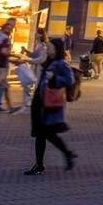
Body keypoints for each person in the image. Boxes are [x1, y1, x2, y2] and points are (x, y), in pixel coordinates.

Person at [23, 38, 77, 175]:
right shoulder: (49, 62)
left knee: (45, 133)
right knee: (41, 134)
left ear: (57, 49)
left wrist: (54, 78)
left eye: (50, 48)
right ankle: (41, 164)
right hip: (39, 101)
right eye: (47, 48)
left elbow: (70, 80)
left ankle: (62, 155)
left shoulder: (61, 64)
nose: (47, 50)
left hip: (49, 104)